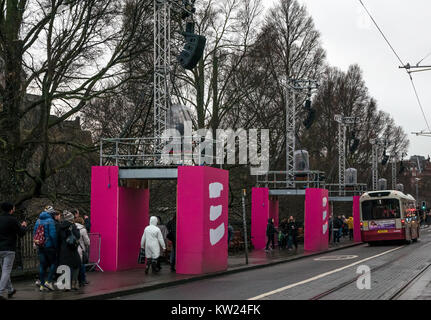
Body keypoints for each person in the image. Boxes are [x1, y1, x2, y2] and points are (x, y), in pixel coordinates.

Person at [0, 202, 27, 300]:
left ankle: (10, 290)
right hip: (9, 249)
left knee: (4, 270)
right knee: (6, 271)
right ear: (11, 209)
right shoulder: (12, 220)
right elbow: (21, 233)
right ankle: (1, 291)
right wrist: (23, 226)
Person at [33, 206, 58, 292]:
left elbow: (34, 233)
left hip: (40, 246)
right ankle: (49, 281)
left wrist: (36, 243)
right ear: (50, 213)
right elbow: (53, 235)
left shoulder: (38, 220)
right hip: (49, 246)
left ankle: (42, 285)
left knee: (42, 265)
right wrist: (55, 246)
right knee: (54, 263)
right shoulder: (50, 221)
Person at [58, 211, 81, 290]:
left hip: (63, 249)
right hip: (72, 249)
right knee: (76, 265)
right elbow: (77, 236)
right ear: (71, 218)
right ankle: (74, 283)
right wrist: (77, 230)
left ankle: (65, 285)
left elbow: (58, 238)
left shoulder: (60, 226)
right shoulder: (72, 226)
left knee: (65, 266)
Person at [75, 217, 90, 287]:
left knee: (74, 266)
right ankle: (82, 280)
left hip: (73, 249)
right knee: (81, 265)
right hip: (80, 249)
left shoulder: (72, 227)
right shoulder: (83, 229)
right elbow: (87, 241)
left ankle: (75, 280)